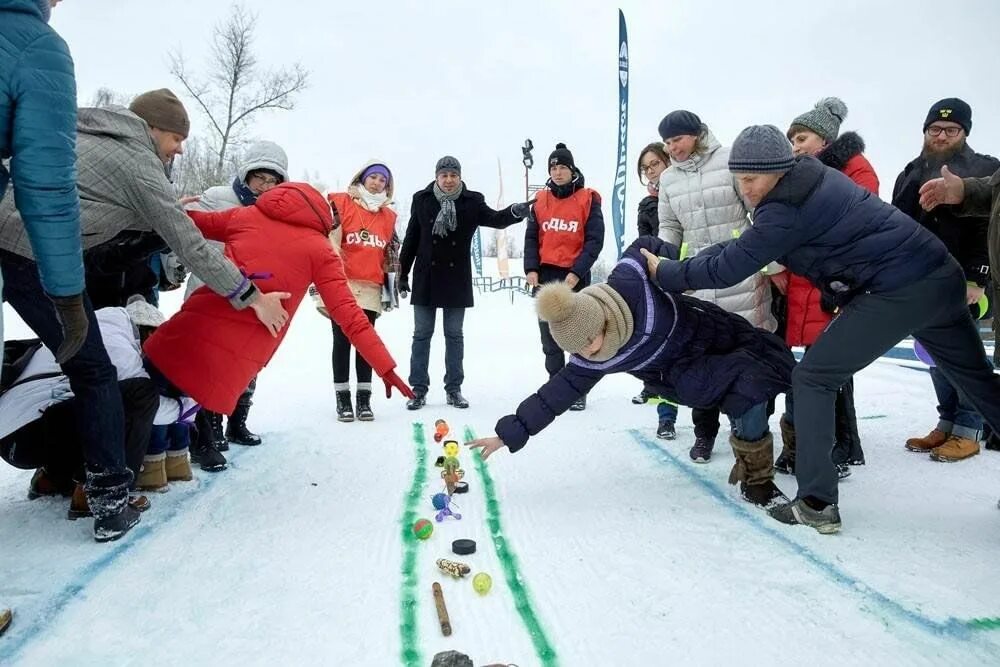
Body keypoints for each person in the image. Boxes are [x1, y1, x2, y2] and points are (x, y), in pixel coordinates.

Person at [647, 124, 1000, 533]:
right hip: (940, 276)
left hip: (900, 288)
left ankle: (816, 501)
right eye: (739, 180)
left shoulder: (784, 208)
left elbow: (731, 264)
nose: (746, 190)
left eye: (752, 179)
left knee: (812, 378)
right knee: (977, 382)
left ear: (779, 169)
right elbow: (776, 243)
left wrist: (669, 272)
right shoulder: (813, 179)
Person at [466, 236, 794, 509]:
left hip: (717, 331)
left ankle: (800, 446)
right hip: (685, 373)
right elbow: (553, 397)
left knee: (780, 367)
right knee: (744, 389)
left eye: (587, 343)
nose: (585, 354)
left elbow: (646, 245)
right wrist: (508, 434)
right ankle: (757, 479)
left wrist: (672, 271)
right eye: (575, 351)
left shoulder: (630, 282)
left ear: (599, 320)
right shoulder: (592, 360)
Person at [144, 182, 413, 418]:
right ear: (323, 216)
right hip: (241, 352)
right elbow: (351, 318)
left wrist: (175, 210)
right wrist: (385, 367)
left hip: (192, 328)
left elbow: (190, 225)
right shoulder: (320, 251)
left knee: (140, 396)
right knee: (172, 409)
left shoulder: (245, 215)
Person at [0, 297, 196, 535]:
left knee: (92, 400)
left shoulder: (103, 321)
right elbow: (148, 407)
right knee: (136, 396)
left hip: (22, 432)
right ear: (145, 328)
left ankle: (53, 479)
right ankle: (107, 493)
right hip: (31, 431)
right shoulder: (115, 338)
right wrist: (189, 407)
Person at [657, 110, 777, 463]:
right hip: (697, 279)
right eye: (667, 142)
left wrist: (769, 264)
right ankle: (704, 433)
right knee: (702, 360)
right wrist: (663, 264)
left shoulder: (729, 161)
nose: (672, 148)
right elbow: (669, 226)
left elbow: (757, 212)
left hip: (742, 274)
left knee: (750, 356)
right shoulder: (668, 179)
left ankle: (751, 434)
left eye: (677, 139)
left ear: (696, 134)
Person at [892, 98, 999, 462]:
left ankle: (969, 428)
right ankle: (948, 421)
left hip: (964, 283)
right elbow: (897, 225)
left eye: (951, 130)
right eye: (934, 129)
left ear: (964, 132)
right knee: (933, 354)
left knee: (964, 355)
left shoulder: (985, 169)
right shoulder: (909, 171)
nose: (941, 135)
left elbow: (989, 229)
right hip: (920, 281)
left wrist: (976, 278)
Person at [778, 97, 878, 476]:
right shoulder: (798, 173)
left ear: (824, 137)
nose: (795, 146)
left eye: (801, 137)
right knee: (807, 371)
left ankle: (840, 447)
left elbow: (861, 222)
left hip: (834, 281)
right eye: (792, 140)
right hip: (801, 283)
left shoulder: (855, 169)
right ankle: (806, 444)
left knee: (830, 370)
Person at [184, 140, 290, 467]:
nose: (265, 186)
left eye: (273, 181)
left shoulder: (280, 213)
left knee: (248, 360)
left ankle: (237, 422)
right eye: (260, 178)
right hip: (212, 291)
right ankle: (210, 425)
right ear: (246, 174)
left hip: (256, 298)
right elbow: (184, 230)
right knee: (212, 362)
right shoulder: (217, 199)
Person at [398, 156, 528, 410]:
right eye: (444, 175)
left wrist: (514, 212)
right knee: (422, 335)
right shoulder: (422, 199)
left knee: (454, 335)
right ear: (437, 176)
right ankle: (418, 389)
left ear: (460, 177)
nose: (448, 180)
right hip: (426, 277)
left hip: (456, 278)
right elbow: (412, 237)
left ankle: (454, 389)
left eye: (453, 175)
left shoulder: (472, 201)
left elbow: (496, 218)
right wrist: (403, 273)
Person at [524, 143, 605, 411]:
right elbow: (532, 238)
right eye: (553, 167)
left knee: (578, 335)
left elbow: (594, 241)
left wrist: (576, 273)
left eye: (562, 167)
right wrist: (531, 268)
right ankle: (555, 384)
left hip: (574, 276)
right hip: (546, 274)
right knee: (549, 336)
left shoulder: (588, 198)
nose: (558, 172)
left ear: (572, 170)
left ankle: (578, 388)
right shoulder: (540, 201)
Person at [320, 160, 400, 422]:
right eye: (373, 177)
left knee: (367, 343)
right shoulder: (340, 203)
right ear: (363, 178)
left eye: (382, 180)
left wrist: (391, 289)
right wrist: (327, 280)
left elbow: (390, 253)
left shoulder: (388, 216)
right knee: (341, 341)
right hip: (343, 285)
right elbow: (329, 242)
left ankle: (364, 400)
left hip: (371, 287)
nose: (377, 183)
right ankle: (342, 399)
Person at [635, 142, 680, 439]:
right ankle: (667, 417)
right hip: (663, 283)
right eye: (646, 168)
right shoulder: (646, 205)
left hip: (695, 277)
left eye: (655, 164)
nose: (651, 171)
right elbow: (644, 245)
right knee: (667, 351)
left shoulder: (684, 193)